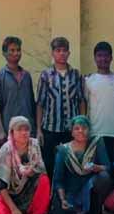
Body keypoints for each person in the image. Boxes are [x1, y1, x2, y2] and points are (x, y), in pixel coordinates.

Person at [0, 116, 52, 214]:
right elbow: (0, 186)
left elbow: (40, 169)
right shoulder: (5, 150)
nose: (24, 133)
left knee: (43, 179)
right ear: (12, 132)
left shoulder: (34, 145)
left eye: (26, 129)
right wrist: (14, 210)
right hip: (5, 194)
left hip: (25, 192)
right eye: (19, 130)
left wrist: (32, 172)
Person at [36, 37, 86, 175]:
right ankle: (53, 189)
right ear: (53, 53)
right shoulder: (45, 75)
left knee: (71, 165)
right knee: (50, 165)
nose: (62, 53)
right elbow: (40, 103)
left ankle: (68, 189)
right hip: (50, 128)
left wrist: (81, 125)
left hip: (71, 130)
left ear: (69, 53)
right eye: (58, 50)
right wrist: (39, 130)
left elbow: (81, 100)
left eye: (64, 50)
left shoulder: (76, 75)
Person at [51, 116, 112, 214]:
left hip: (90, 189)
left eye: (84, 128)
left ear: (89, 130)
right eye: (77, 128)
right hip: (71, 192)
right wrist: (63, 199)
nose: (81, 131)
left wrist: (95, 167)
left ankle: (96, 212)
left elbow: (107, 167)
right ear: (72, 132)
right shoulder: (64, 150)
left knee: (104, 177)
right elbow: (58, 180)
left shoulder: (96, 143)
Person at [0, 36, 37, 145]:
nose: (16, 53)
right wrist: (0, 130)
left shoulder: (26, 76)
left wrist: (35, 127)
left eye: (18, 50)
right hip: (9, 129)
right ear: (4, 53)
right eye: (12, 50)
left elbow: (31, 102)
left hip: (28, 129)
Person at [85, 41, 114, 165]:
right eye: (99, 55)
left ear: (111, 58)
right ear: (95, 58)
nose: (103, 59)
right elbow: (84, 107)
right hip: (95, 134)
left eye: (106, 55)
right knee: (100, 172)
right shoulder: (88, 80)